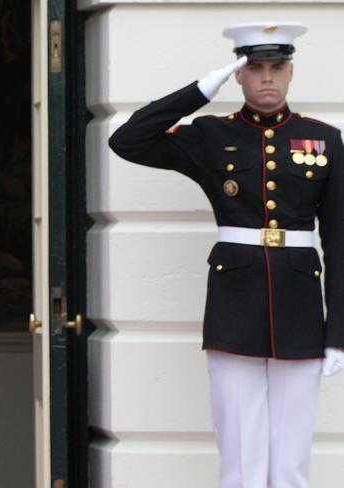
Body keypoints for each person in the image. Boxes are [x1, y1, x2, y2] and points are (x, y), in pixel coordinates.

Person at [109, 21, 344, 488]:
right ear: (239, 75)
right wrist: (200, 89)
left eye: (277, 66)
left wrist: (337, 331)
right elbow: (128, 140)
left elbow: (337, 240)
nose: (268, 78)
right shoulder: (210, 135)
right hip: (234, 304)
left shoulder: (324, 139)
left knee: (292, 458)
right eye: (255, 68)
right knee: (240, 455)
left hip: (299, 308)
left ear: (291, 72)